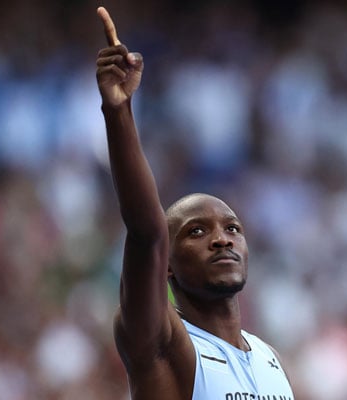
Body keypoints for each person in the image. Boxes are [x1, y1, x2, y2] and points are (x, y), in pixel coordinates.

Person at [95, 6, 295, 399]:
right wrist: (118, 111)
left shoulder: (269, 358)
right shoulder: (164, 344)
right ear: (166, 265)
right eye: (197, 231)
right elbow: (146, 232)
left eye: (232, 228)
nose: (222, 239)